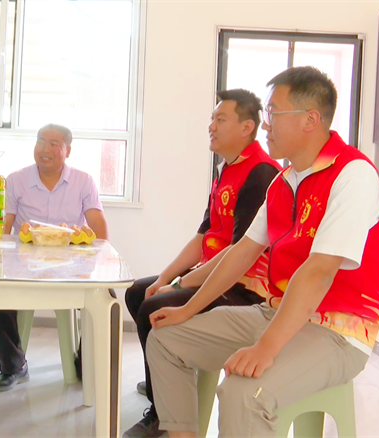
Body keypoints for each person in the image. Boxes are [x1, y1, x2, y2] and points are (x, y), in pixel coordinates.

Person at [146, 67, 379, 438]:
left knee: (244, 393)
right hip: (276, 311)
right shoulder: (283, 181)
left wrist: (265, 348)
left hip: (336, 330)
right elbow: (242, 252)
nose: (265, 124)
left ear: (310, 120)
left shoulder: (353, 174)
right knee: (166, 339)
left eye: (274, 113)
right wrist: (187, 308)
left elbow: (319, 272)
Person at [123, 89, 281, 438]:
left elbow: (239, 252)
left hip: (242, 287)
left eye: (220, 119)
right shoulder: (226, 170)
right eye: (212, 118)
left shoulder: (260, 174)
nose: (211, 126)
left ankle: (162, 414)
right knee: (138, 292)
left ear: (247, 127)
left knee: (153, 307)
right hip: (212, 274)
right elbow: (203, 237)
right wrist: (164, 277)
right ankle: (163, 384)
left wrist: (179, 285)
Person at [0, 123, 109, 391]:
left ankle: (85, 362)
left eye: (54, 144)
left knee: (105, 294)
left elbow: (99, 228)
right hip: (25, 264)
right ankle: (13, 365)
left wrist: (98, 264)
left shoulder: (83, 181)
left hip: (71, 266)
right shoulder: (16, 180)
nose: (45, 149)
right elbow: (4, 229)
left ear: (67, 151)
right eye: (41, 141)